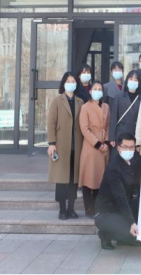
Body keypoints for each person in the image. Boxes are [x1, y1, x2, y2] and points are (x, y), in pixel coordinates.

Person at [95, 133, 141, 250]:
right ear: (119, 148)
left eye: (131, 147)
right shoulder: (113, 168)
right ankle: (105, 234)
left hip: (121, 208)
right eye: (125, 147)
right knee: (129, 230)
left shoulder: (132, 162)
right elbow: (120, 197)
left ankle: (124, 238)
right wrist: (132, 223)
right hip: (107, 212)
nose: (129, 150)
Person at [47, 72, 84, 220]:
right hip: (61, 145)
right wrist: (51, 143)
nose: (71, 83)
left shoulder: (80, 102)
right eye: (68, 81)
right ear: (63, 83)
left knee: (73, 180)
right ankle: (62, 209)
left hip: (77, 146)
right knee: (61, 179)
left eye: (73, 81)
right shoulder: (57, 101)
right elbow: (51, 123)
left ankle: (71, 208)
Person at [78, 81, 110, 219]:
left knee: (100, 178)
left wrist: (106, 142)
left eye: (100, 89)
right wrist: (97, 144)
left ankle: (97, 207)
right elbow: (84, 129)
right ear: (90, 91)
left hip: (104, 146)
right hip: (91, 146)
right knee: (88, 178)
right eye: (95, 89)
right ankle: (89, 208)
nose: (98, 91)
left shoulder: (106, 106)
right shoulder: (85, 107)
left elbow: (108, 126)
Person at [109, 70, 141, 144]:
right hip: (121, 134)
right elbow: (113, 118)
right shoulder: (119, 97)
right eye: (131, 79)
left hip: (135, 134)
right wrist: (112, 137)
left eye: (135, 80)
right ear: (127, 81)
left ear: (139, 83)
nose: (133, 81)